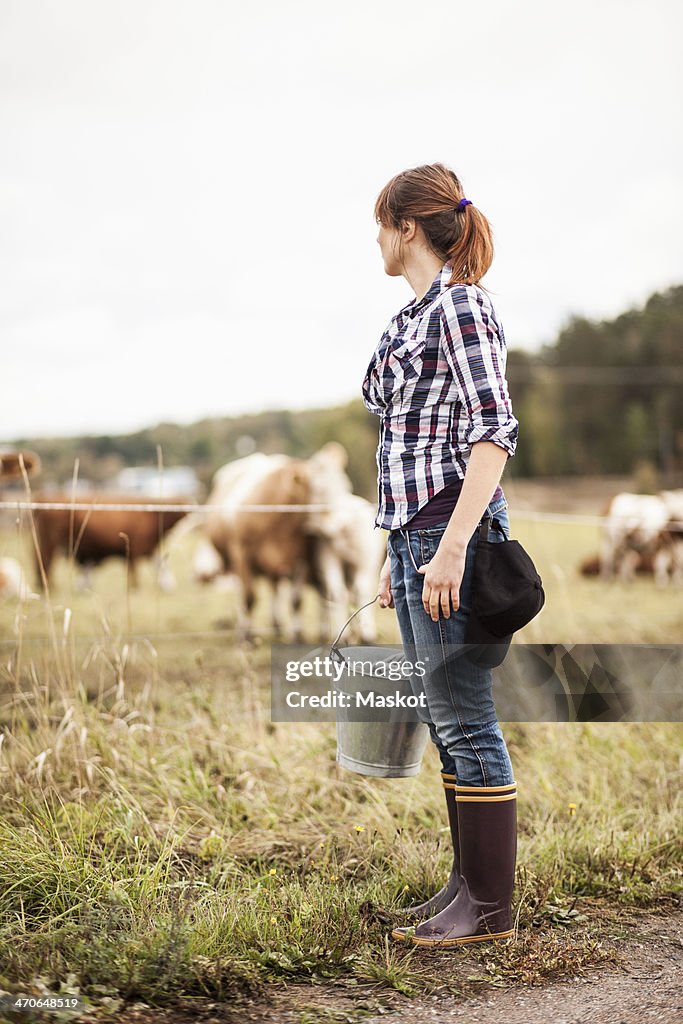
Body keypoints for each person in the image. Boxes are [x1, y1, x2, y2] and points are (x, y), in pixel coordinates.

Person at [361, 162, 519, 947]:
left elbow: (493, 432)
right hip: (411, 538)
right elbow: (401, 440)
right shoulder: (408, 316)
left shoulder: (460, 308)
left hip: (447, 536)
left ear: (407, 228)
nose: (376, 241)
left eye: (380, 226)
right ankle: (465, 888)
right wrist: (392, 560)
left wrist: (451, 547)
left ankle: (489, 908)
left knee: (464, 716)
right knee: (440, 713)